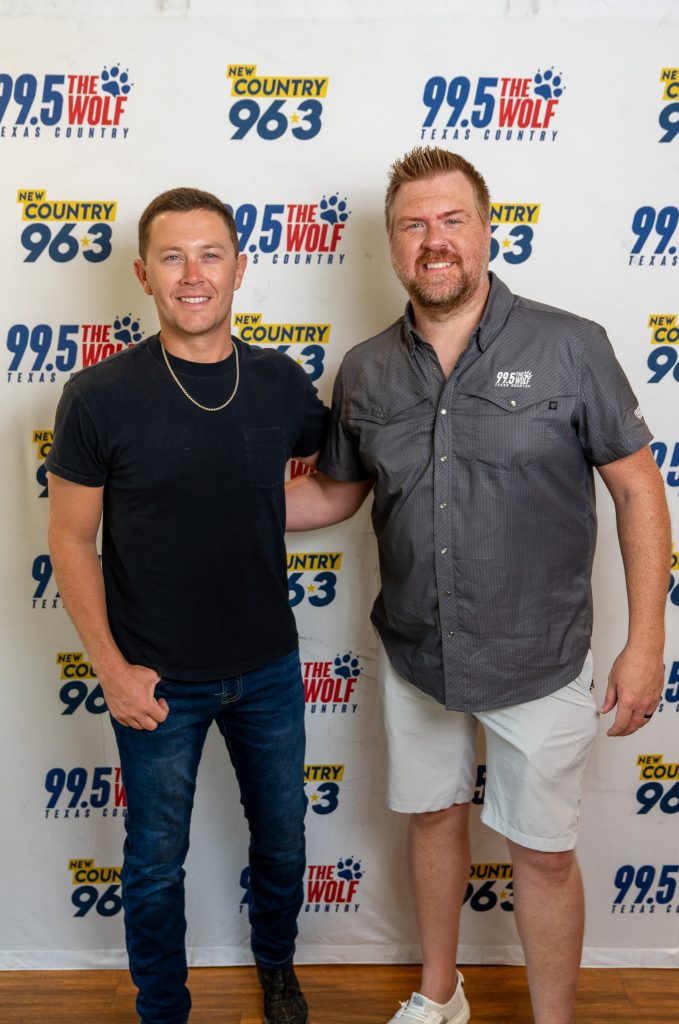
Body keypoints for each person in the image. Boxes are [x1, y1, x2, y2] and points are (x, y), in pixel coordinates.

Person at [285, 147, 671, 1024]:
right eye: (413, 224)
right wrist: (207, 496)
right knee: (431, 819)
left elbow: (637, 488)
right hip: (416, 650)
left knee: (541, 854)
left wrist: (645, 640)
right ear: (392, 244)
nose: (434, 240)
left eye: (451, 220)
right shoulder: (366, 368)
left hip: (541, 651)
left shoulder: (570, 345)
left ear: (487, 230)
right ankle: (439, 995)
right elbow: (334, 494)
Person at [46, 187, 327, 1024]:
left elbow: (329, 479)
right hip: (155, 676)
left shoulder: (279, 382)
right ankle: (162, 1010)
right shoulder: (98, 394)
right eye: (172, 258)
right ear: (144, 274)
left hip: (267, 667)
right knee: (154, 863)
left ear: (239, 269)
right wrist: (112, 670)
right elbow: (71, 540)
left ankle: (276, 967)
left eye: (210, 255)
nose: (192, 275)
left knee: (283, 839)